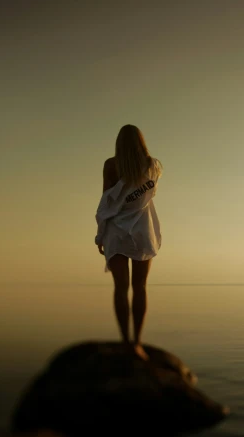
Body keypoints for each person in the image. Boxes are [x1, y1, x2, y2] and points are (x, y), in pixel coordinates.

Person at [95, 124, 162, 360]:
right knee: (140, 287)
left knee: (121, 289)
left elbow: (107, 202)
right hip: (142, 231)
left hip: (116, 232)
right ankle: (138, 343)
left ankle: (125, 343)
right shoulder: (152, 165)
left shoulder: (110, 165)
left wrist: (101, 233)